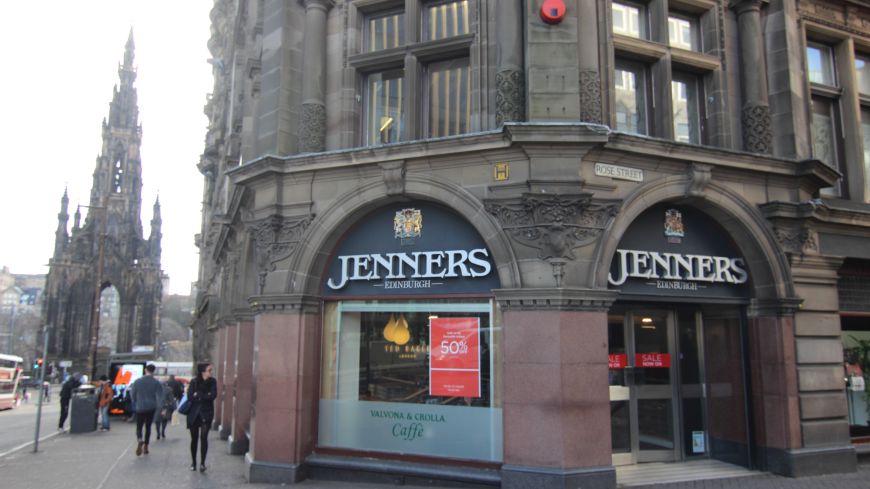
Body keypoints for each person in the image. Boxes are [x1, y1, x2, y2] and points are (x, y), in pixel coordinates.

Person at [186, 363, 217, 472]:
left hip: (207, 413)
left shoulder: (213, 381)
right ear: (203, 371)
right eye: (209, 370)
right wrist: (204, 396)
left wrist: (198, 395)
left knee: (204, 437)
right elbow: (190, 397)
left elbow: (213, 395)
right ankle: (193, 462)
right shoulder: (194, 381)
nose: (211, 372)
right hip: (194, 414)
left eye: (211, 370)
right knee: (194, 439)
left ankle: (202, 463)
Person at [129, 364, 165, 456]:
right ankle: (146, 446)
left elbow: (132, 394)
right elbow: (160, 396)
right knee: (148, 427)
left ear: (145, 370)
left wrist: (135, 401)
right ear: (154, 371)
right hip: (151, 407)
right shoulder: (156, 382)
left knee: (139, 426)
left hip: (140, 407)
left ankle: (140, 439)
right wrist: (160, 407)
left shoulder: (137, 381)